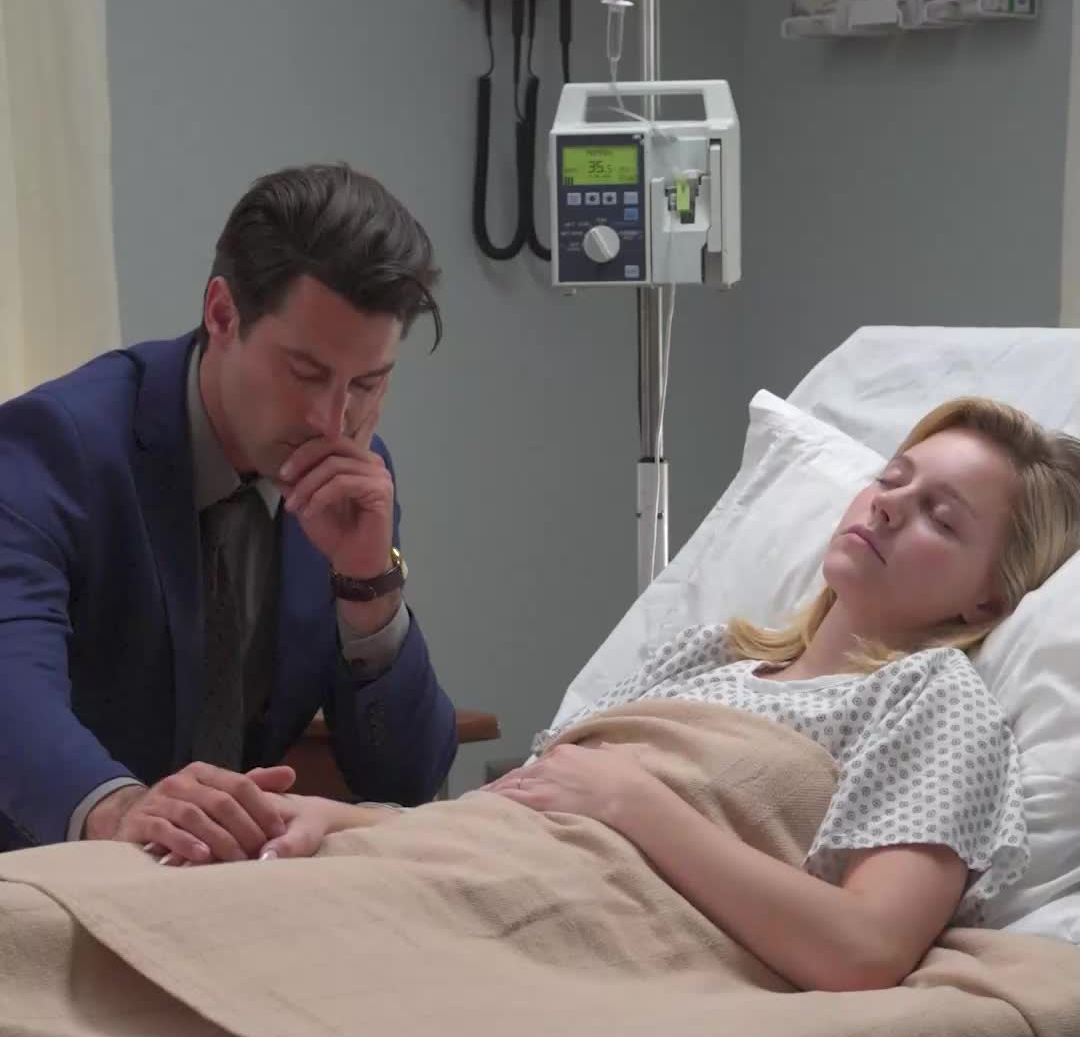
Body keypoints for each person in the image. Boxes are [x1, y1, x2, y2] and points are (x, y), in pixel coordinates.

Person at [231, 398, 1080, 993]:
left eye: (941, 516)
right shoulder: (712, 654)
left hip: (562, 942)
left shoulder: (931, 698)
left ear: (987, 603)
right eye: (893, 478)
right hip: (467, 872)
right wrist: (342, 822)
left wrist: (636, 803)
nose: (889, 508)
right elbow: (523, 808)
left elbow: (866, 949)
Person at [0, 162, 457, 857]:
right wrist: (117, 809)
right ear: (221, 314)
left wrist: (371, 589)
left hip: (217, 887)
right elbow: (11, 692)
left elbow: (409, 781)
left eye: (368, 383)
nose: (334, 420)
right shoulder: (56, 446)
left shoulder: (355, 482)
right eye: (306, 373)